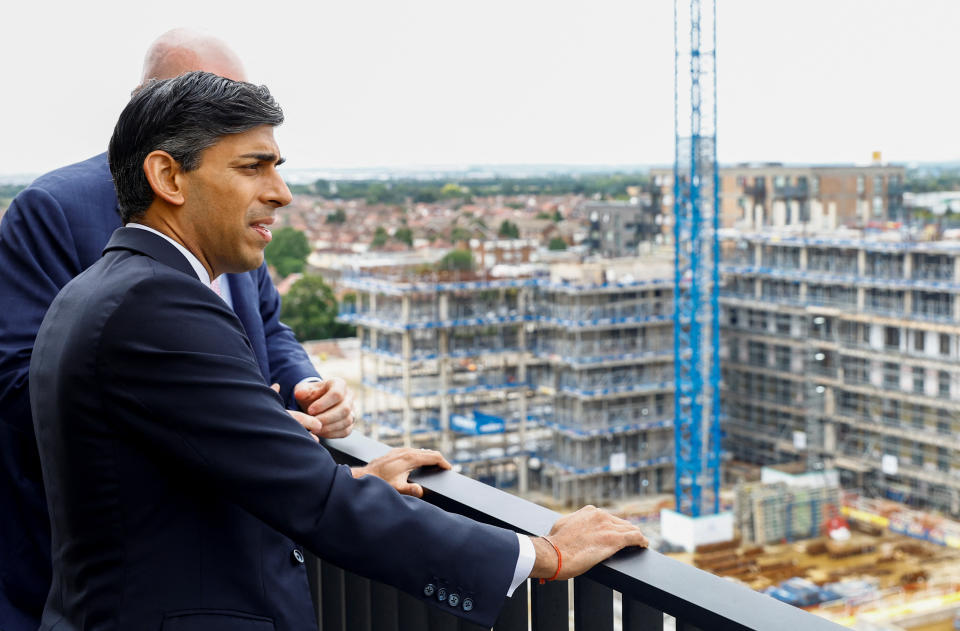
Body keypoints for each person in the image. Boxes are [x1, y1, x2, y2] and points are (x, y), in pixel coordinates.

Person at [29, 71, 649, 630]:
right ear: (168, 177)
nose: (282, 192)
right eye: (253, 167)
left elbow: (187, 476)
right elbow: (315, 505)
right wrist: (543, 551)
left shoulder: (100, 290)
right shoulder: (159, 306)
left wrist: (346, 476)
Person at [0, 30, 355, 631]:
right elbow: (21, 385)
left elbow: (265, 327)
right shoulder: (55, 207)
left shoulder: (231, 205)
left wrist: (306, 388)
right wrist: (225, 423)